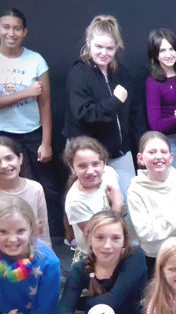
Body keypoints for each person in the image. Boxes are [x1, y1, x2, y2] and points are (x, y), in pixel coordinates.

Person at [0, 8, 60, 235]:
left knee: (43, 189)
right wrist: (26, 92)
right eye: (6, 27)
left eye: (17, 28)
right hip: (2, 135)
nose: (11, 33)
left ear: (24, 32)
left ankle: (44, 238)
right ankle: (5, 234)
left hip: (32, 133)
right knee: (4, 186)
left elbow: (45, 104)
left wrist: (46, 142)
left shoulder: (36, 60)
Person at [63, 15, 145, 197]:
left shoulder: (122, 73)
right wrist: (114, 101)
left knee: (130, 202)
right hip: (88, 157)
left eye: (110, 48)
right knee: (93, 208)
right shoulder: (78, 74)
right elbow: (84, 114)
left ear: (117, 47)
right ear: (88, 43)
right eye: (98, 47)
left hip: (120, 153)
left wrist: (141, 146)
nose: (104, 53)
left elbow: (134, 114)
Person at [126, 131, 176, 273]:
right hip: (157, 256)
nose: (159, 156)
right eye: (152, 152)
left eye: (164, 152)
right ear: (141, 158)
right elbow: (146, 233)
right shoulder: (135, 190)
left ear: (171, 157)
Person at [0, 136, 51, 244]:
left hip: (33, 255)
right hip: (0, 258)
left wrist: (48, 257)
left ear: (20, 159)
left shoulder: (35, 188)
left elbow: (44, 233)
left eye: (9, 158)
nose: (4, 165)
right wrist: (31, 232)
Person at [63, 136, 123, 264]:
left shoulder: (110, 174)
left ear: (104, 162)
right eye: (82, 166)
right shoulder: (75, 202)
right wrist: (117, 206)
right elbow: (100, 236)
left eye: (95, 164)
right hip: (94, 258)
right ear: (72, 168)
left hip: (116, 250)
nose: (90, 171)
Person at [146, 28, 176, 175]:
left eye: (171, 49)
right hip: (171, 140)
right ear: (155, 55)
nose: (168, 55)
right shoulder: (153, 82)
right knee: (174, 183)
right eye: (162, 51)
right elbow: (155, 124)